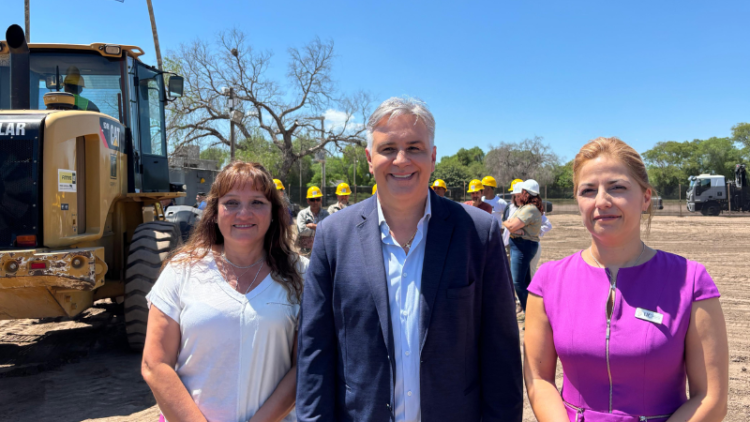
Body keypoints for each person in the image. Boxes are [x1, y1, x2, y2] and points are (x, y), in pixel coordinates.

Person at [297, 97, 523, 422]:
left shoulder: (479, 233)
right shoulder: (333, 236)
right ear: (369, 159)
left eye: (414, 148)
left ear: (432, 157)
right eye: (388, 148)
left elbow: (501, 351)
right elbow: (315, 350)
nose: (401, 160)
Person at [524, 137, 728, 422]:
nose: (602, 201)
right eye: (588, 190)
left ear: (646, 198)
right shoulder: (548, 281)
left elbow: (711, 398)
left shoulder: (691, 281)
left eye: (617, 187)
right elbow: (538, 378)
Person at [141, 161, 308, 422]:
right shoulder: (181, 271)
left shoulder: (302, 275)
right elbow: (155, 363)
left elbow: (304, 366)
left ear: (273, 212)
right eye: (231, 202)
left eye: (257, 202)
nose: (244, 213)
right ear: (215, 213)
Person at [503, 179, 543, 313]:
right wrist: (510, 226)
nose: (519, 195)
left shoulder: (530, 209)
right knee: (524, 282)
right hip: (520, 245)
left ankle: (530, 313)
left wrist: (510, 226)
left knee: (518, 282)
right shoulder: (525, 208)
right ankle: (531, 313)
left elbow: (511, 224)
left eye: (521, 192)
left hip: (523, 245)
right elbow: (509, 224)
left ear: (526, 193)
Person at [296, 186, 329, 256]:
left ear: (321, 200)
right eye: (312, 199)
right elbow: (301, 230)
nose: (315, 202)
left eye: (317, 199)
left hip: (321, 251)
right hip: (305, 252)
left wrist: (312, 226)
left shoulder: (326, 214)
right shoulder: (302, 214)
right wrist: (320, 228)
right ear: (308, 201)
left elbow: (328, 231)